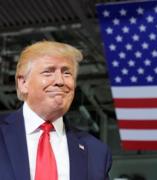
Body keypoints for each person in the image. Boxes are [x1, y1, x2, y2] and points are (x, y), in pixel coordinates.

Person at [0, 41, 112, 180]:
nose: (60, 81)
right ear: (23, 83)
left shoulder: (96, 152)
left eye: (67, 73)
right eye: (48, 72)